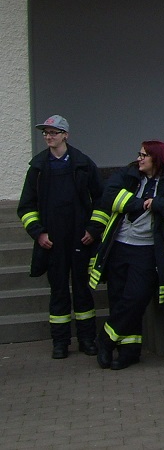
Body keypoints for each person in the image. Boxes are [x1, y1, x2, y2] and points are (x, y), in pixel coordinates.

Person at [89, 140, 164, 370]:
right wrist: (139, 203)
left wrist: (159, 203)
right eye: (139, 154)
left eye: (144, 155)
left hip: (146, 249)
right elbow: (108, 195)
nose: (139, 159)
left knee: (136, 298)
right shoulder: (129, 174)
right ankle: (129, 352)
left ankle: (106, 339)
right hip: (119, 246)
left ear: (156, 159)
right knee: (119, 298)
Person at [17, 115, 105, 359]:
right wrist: (38, 233)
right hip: (52, 241)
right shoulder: (37, 168)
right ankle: (60, 342)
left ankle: (87, 340)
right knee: (58, 292)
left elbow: (102, 200)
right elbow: (26, 207)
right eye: (45, 132)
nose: (48, 136)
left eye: (53, 132)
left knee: (83, 291)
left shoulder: (83, 164)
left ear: (65, 135)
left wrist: (93, 229)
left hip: (80, 239)